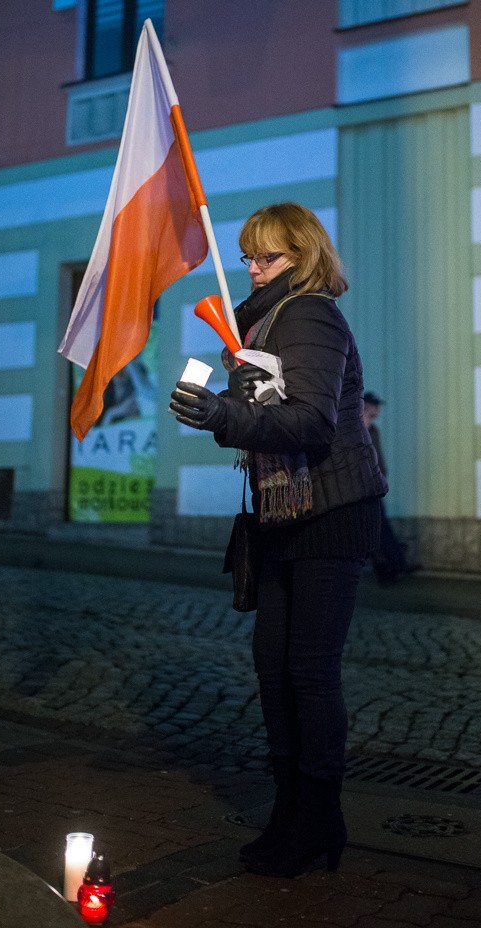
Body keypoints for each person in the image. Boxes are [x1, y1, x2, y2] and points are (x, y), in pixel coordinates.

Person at [169, 202, 388, 878]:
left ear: (305, 256)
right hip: (278, 512)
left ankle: (318, 817)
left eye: (270, 257)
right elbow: (264, 418)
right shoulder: (261, 322)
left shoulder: (311, 314)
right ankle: (289, 810)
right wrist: (221, 410)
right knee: (273, 669)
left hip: (330, 511)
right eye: (249, 256)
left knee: (309, 672)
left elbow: (312, 425)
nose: (254, 267)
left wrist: (224, 415)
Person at [362, 391, 416, 583]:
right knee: (376, 528)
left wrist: (383, 475)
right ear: (366, 406)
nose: (377, 409)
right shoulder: (359, 429)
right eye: (374, 405)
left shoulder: (373, 430)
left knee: (379, 527)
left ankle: (392, 566)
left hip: (375, 486)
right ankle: (388, 567)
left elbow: (379, 457)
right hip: (364, 488)